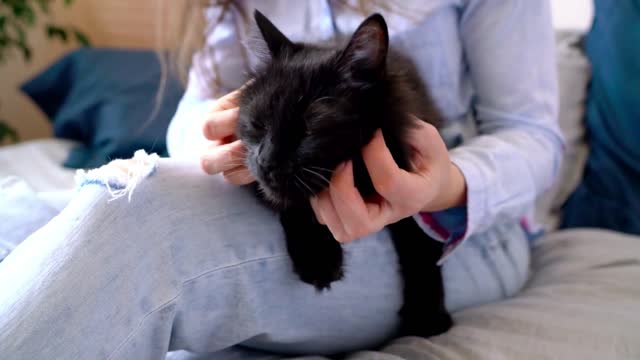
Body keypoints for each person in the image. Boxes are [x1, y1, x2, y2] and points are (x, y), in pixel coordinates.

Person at [0, 1, 562, 359]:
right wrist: (219, 144)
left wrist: (442, 184)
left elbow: (535, 137)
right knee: (21, 214)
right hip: (284, 188)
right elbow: (191, 121)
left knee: (136, 213)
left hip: (449, 230)